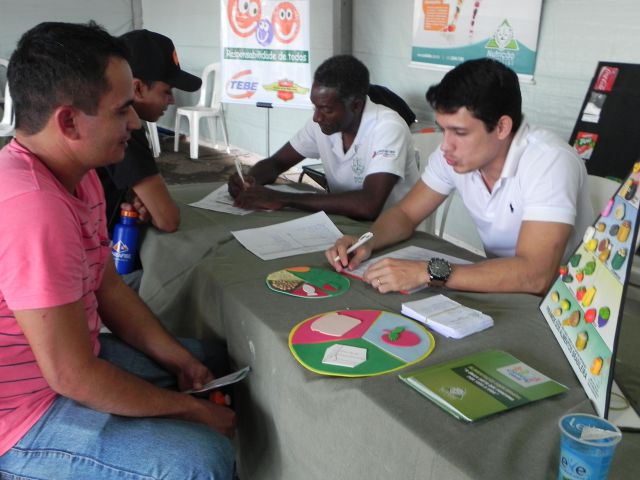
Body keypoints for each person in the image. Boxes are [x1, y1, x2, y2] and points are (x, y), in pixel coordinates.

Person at [0, 22, 235, 479]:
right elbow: (72, 376)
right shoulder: (34, 208)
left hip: (67, 368)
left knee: (208, 364)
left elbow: (108, 287)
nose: (134, 122)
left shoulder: (80, 174)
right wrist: (191, 412)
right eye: (122, 109)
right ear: (69, 122)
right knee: (201, 461)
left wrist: (180, 360)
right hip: (21, 418)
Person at [327, 58, 593, 296]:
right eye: (443, 130)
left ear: (502, 127)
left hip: (562, 303)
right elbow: (406, 214)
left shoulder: (549, 161)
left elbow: (536, 276)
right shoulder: (455, 156)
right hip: (502, 287)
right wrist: (367, 241)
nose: (445, 145)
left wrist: (428, 272)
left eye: (460, 132)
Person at [227, 54, 420, 220]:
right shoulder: (323, 124)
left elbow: (369, 204)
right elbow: (277, 162)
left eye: (326, 109)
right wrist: (249, 181)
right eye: (315, 107)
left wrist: (282, 198)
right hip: (343, 222)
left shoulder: (388, 127)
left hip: (389, 229)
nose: (317, 117)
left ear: (356, 105)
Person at [98, 29, 202, 233]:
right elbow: (167, 220)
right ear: (137, 89)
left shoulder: (99, 112)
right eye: (166, 91)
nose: (172, 100)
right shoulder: (122, 127)